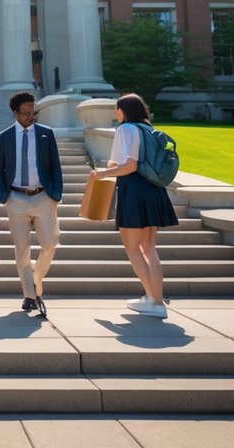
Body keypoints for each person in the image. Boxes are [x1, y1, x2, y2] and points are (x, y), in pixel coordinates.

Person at [88, 93, 179, 319]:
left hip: (134, 190)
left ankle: (154, 301)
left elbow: (128, 165)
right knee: (149, 248)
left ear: (125, 110)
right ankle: (154, 299)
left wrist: (102, 174)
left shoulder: (125, 129)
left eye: (117, 109)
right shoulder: (147, 128)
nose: (115, 113)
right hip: (154, 189)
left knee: (132, 248)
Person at [0, 92, 63, 319]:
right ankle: (29, 295)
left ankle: (35, 279)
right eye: (26, 113)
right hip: (16, 198)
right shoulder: (3, 137)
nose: (31, 116)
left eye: (34, 112)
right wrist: (4, 196)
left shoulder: (46, 134)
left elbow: (55, 166)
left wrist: (56, 194)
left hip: (43, 196)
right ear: (15, 113)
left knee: (50, 244)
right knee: (22, 250)